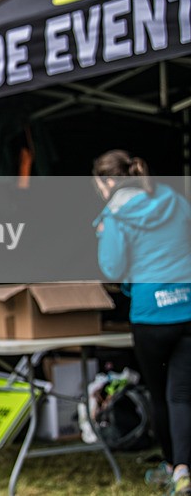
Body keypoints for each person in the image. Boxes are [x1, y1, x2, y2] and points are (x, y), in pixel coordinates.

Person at [92, 149, 191, 495]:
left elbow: (113, 270)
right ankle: (183, 468)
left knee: (162, 396)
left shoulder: (114, 216)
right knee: (182, 395)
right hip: (187, 305)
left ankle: (171, 466)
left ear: (106, 182)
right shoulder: (173, 199)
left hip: (152, 314)